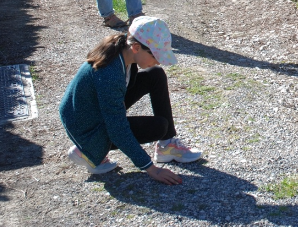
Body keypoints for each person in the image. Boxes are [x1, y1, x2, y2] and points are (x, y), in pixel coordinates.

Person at [59, 16, 202, 184]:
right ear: (136, 47)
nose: (158, 61)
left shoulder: (123, 50)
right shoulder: (109, 75)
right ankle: (88, 150)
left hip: (90, 113)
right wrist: (150, 168)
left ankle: (167, 146)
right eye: (155, 55)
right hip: (88, 129)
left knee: (155, 75)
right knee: (159, 126)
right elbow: (117, 128)